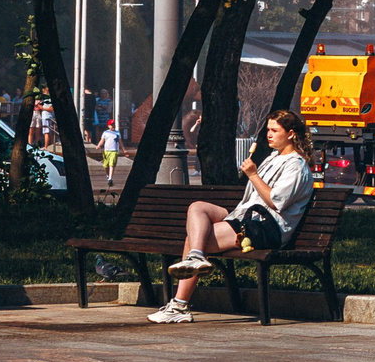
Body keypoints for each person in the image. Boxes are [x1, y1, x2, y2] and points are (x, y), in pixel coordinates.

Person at [152, 110, 314, 323]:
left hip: (267, 227)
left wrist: (253, 175)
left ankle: (179, 305)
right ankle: (195, 259)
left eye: (275, 130)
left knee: (192, 240)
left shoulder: (296, 165)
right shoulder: (273, 158)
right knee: (197, 207)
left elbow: (277, 202)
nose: (269, 135)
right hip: (248, 218)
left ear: (291, 134)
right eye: (268, 130)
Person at [100, 121, 122, 188]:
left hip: (114, 151)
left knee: (112, 164)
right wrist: (98, 145)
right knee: (106, 165)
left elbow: (120, 142)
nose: (113, 126)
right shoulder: (105, 133)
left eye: (113, 124)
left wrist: (124, 150)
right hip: (106, 151)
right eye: (111, 125)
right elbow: (102, 140)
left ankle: (110, 179)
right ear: (108, 126)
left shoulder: (117, 133)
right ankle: (107, 175)